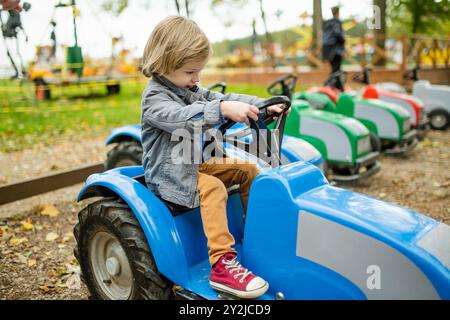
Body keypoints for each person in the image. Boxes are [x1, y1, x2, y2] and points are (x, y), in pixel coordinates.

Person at [140, 16, 288, 299]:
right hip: (170, 175)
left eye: (199, 71)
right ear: (162, 64)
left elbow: (224, 97)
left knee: (247, 170)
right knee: (213, 187)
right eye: (190, 72)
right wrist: (221, 109)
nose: (196, 79)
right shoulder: (154, 99)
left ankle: (259, 237)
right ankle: (222, 264)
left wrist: (263, 106)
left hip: (196, 164)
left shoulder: (189, 89)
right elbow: (181, 119)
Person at [322, 5, 345, 90]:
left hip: (327, 49)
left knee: (334, 69)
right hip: (336, 49)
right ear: (338, 13)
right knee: (336, 70)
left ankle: (334, 86)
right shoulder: (336, 22)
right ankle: (333, 87)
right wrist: (343, 40)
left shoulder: (327, 23)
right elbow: (338, 34)